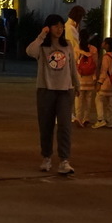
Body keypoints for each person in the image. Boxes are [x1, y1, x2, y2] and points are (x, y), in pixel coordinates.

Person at [26, 14, 79, 175]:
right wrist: (42, 35)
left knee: (65, 126)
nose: (59, 29)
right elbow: (29, 51)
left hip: (65, 91)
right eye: (55, 26)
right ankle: (46, 157)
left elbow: (72, 67)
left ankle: (64, 160)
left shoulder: (68, 45)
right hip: (45, 90)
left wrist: (77, 84)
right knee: (46, 126)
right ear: (48, 27)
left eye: (61, 26)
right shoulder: (42, 46)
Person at [92, 37, 112, 128]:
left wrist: (99, 82)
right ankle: (110, 121)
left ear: (107, 45)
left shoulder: (106, 57)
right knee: (110, 102)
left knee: (98, 99)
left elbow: (104, 71)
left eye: (104, 42)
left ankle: (100, 119)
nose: (102, 43)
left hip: (105, 82)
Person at [74, 36, 99, 127]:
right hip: (90, 79)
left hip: (80, 78)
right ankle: (86, 118)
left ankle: (78, 118)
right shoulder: (94, 49)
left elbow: (74, 62)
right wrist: (95, 77)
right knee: (88, 99)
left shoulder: (77, 48)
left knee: (78, 99)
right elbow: (96, 64)